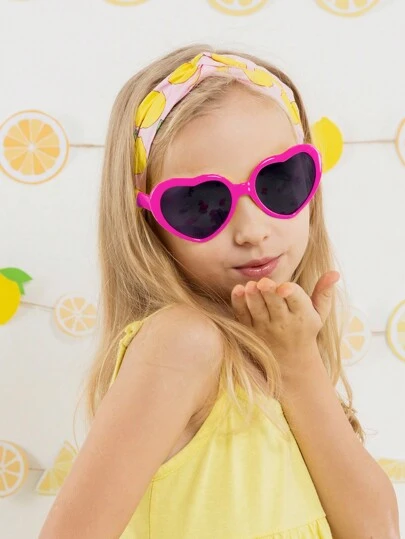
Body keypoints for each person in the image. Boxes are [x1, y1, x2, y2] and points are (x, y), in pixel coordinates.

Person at [39, 45, 400, 538]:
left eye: (277, 182)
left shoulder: (286, 350)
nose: (252, 230)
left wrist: (299, 365)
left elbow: (375, 529)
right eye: (201, 204)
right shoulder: (183, 343)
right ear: (148, 222)